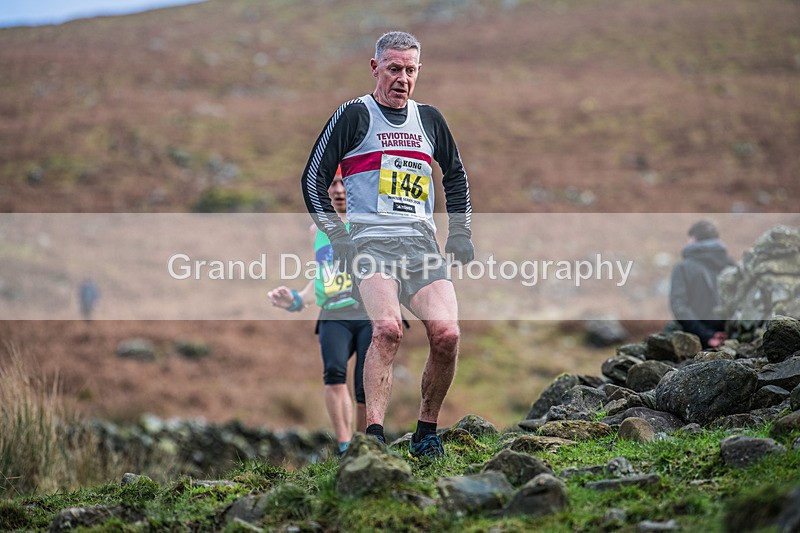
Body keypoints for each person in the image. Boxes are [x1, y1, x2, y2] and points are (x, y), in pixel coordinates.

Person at [301, 31, 474, 459]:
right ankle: (374, 436)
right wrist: (338, 237)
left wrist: (461, 232)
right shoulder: (354, 115)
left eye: (410, 70)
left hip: (419, 245)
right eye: (394, 68)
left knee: (448, 333)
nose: (402, 78)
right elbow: (313, 178)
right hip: (370, 245)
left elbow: (455, 175)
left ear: (419, 71)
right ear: (375, 67)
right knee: (387, 329)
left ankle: (426, 432)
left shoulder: (429, 119)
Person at [269, 169, 371, 455]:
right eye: (333, 184)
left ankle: (367, 448)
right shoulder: (318, 230)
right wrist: (295, 300)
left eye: (345, 183)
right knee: (334, 374)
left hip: (368, 313)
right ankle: (344, 446)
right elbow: (322, 279)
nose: (339, 190)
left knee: (366, 385)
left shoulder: (372, 223)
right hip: (333, 314)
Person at [669, 219, 736, 348]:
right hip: (734, 338)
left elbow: (679, 307)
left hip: (698, 341)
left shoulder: (683, 267)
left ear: (693, 239)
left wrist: (707, 335)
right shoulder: (732, 264)